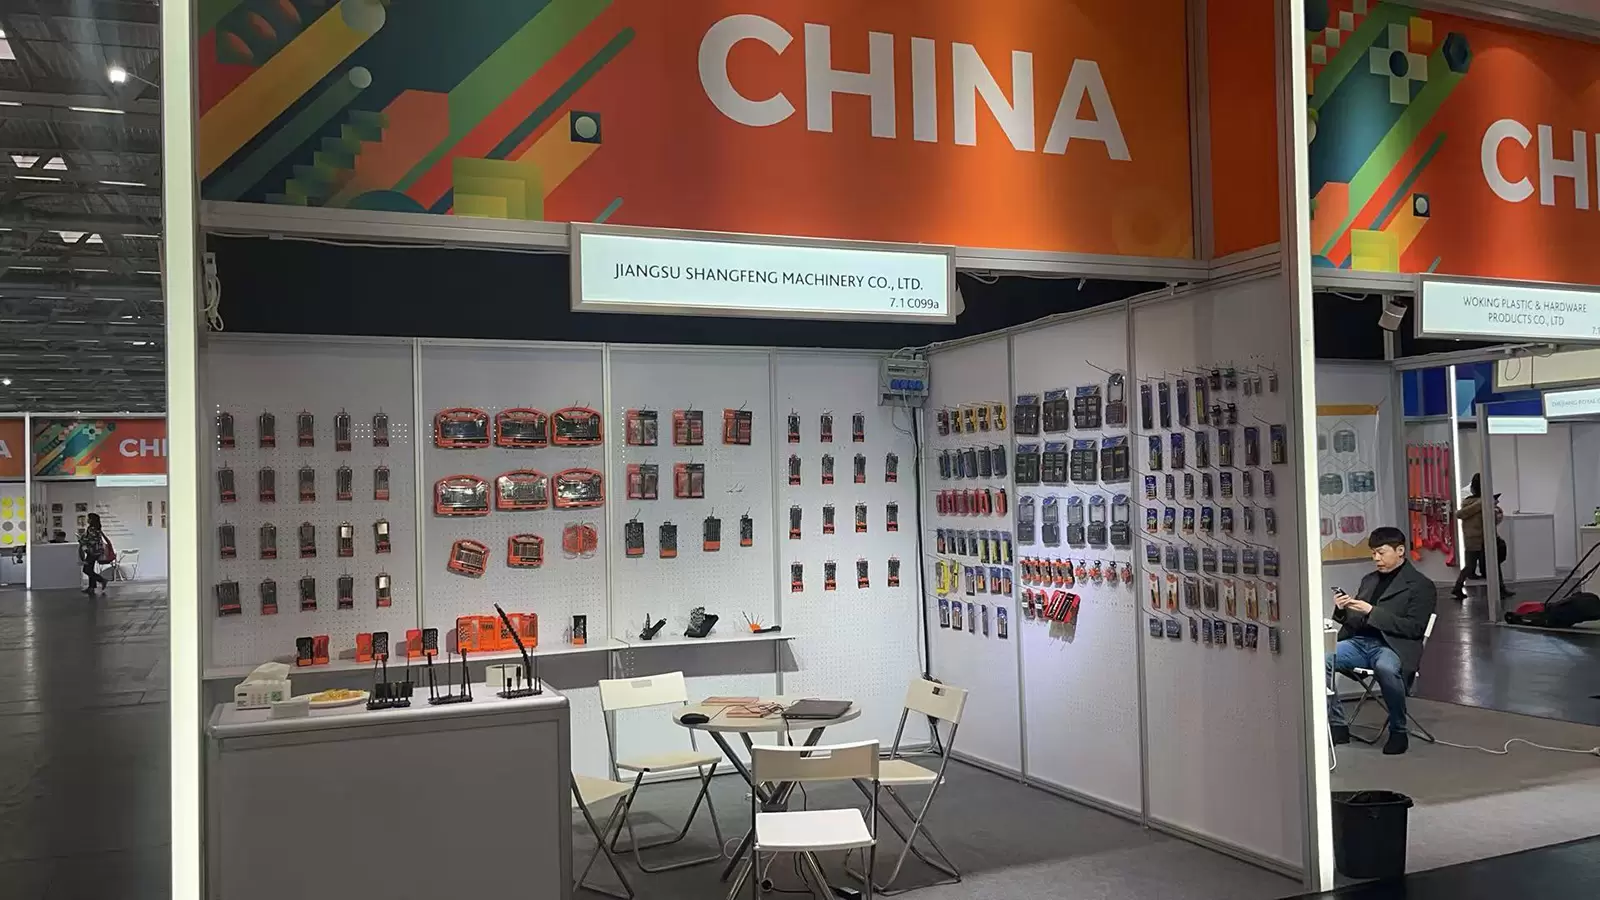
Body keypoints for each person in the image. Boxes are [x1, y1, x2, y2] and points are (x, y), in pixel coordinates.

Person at [1328, 526, 1437, 755]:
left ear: (1400, 551)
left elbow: (1414, 628)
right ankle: (1337, 724)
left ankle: (1398, 730)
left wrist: (1372, 611)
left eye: (1381, 552)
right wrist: (1342, 609)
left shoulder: (1420, 585)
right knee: (1321, 658)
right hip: (1360, 642)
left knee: (1386, 668)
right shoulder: (1369, 580)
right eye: (1373, 553)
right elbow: (1356, 621)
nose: (1376, 558)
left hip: (1393, 646)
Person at [1452, 474, 1510, 599]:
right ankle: (1500, 589)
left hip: (1473, 539)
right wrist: (1490, 505)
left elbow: (1462, 514)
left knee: (1471, 566)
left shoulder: (1468, 502)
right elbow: (1493, 520)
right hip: (1482, 538)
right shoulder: (1482, 503)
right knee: (1491, 565)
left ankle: (1458, 587)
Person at [78, 513, 109, 596]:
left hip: (92, 552)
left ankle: (102, 580)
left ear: (91, 520)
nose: (87, 520)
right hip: (97, 551)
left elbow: (90, 540)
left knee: (86, 569)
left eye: (89, 518)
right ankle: (91, 587)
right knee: (90, 568)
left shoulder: (91, 529)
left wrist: (81, 540)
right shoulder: (97, 528)